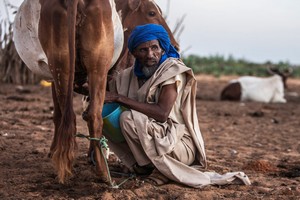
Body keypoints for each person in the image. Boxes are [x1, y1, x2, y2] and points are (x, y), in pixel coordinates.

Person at [105, 24, 250, 188]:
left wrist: (118, 97)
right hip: (154, 141)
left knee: (128, 118)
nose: (150, 54)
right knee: (105, 118)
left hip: (178, 145)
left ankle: (161, 171)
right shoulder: (127, 76)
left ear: (162, 48)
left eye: (155, 48)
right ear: (134, 53)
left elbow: (161, 113)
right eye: (143, 50)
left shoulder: (172, 70)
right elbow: (105, 92)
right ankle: (145, 166)